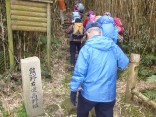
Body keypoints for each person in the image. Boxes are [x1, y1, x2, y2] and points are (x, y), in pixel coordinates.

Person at [70, 22, 129, 117]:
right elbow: (124, 63)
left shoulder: (86, 49)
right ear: (100, 33)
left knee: (81, 113)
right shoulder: (113, 46)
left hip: (88, 95)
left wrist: (73, 90)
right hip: (108, 95)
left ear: (87, 34)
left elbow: (79, 73)